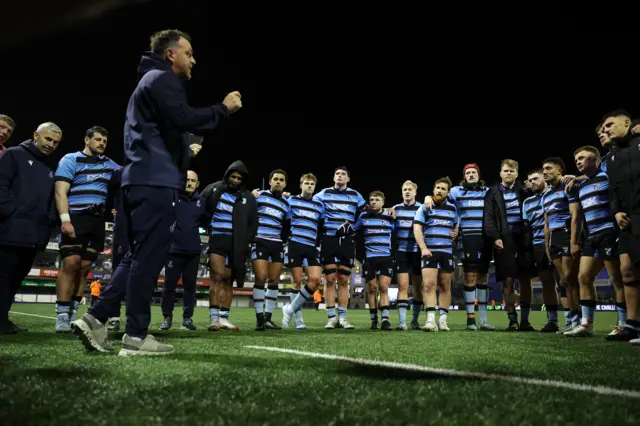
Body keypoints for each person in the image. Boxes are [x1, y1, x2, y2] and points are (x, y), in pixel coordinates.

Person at [74, 29, 241, 355]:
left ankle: (96, 317)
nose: (193, 60)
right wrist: (223, 108)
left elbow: (164, 130)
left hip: (141, 180)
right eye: (189, 53)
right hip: (153, 183)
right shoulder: (161, 79)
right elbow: (184, 117)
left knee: (138, 257)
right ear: (171, 55)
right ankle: (135, 336)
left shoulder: (149, 83)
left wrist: (184, 152)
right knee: (148, 258)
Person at [54, 126, 119, 332]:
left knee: (84, 270)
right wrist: (65, 220)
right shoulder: (70, 159)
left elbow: (129, 174)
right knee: (70, 264)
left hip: (97, 221)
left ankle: (73, 313)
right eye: (98, 139)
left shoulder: (109, 164)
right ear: (87, 139)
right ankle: (62, 316)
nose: (101, 143)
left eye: (105, 141)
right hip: (76, 217)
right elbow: (60, 192)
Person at [0, 122, 62, 334]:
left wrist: (48, 224)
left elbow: (50, 201)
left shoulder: (50, 167)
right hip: (9, 230)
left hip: (34, 235)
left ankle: (2, 322)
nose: (51, 145)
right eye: (48, 139)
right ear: (36, 135)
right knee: (3, 277)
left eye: (55, 142)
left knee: (15, 279)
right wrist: (10, 213)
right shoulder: (13, 155)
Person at [424, 164, 493, 330]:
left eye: (473, 172)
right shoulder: (456, 191)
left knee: (483, 278)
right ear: (464, 176)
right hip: (467, 238)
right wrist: (428, 197)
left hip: (485, 237)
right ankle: (470, 320)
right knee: (470, 277)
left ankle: (483, 320)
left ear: (479, 174)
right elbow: (441, 196)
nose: (470, 175)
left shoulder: (487, 191)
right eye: (467, 173)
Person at [566, 146, 624, 337]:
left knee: (617, 279)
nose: (578, 162)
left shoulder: (607, 177)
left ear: (595, 158)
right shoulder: (580, 187)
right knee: (583, 277)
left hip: (609, 233)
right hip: (592, 236)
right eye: (576, 160)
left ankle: (623, 323)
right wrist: (575, 240)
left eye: (582, 157)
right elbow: (579, 216)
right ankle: (586, 324)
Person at [201, 161, 257, 332]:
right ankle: (214, 319)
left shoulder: (247, 197)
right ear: (227, 176)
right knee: (217, 276)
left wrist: (246, 241)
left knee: (228, 280)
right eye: (233, 176)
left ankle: (224, 319)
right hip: (217, 239)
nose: (235, 180)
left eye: (239, 178)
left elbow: (253, 222)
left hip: (236, 243)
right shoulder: (214, 188)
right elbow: (200, 205)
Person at [601, 110, 640, 343]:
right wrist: (615, 212)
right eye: (604, 128)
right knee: (627, 270)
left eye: (610, 125)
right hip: (627, 219)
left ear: (627, 123)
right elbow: (613, 189)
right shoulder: (612, 157)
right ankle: (633, 326)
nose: (605, 130)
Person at [483, 159, 535, 331]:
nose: (508, 173)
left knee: (526, 280)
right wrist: (495, 237)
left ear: (517, 173)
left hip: (525, 239)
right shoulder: (492, 192)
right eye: (505, 171)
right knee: (507, 281)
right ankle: (512, 320)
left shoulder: (525, 189)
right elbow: (488, 218)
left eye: (512, 171)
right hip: (504, 241)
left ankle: (526, 321)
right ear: (500, 173)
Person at [313, 167, 366, 329]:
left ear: (348, 179)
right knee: (329, 280)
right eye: (337, 173)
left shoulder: (356, 195)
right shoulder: (323, 193)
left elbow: (365, 213)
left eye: (343, 174)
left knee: (343, 280)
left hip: (347, 240)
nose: (340, 176)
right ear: (333, 177)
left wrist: (354, 227)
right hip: (329, 237)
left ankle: (342, 318)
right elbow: (309, 202)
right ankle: (331, 318)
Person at [159, 170, 210, 331]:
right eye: (186, 180)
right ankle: (167, 317)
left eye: (192, 180)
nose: (189, 183)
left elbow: (206, 220)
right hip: (173, 251)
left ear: (197, 184)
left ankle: (187, 319)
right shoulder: (172, 197)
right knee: (169, 286)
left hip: (193, 252)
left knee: (190, 287)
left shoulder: (201, 202)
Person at [541, 157, 581, 333]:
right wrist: (547, 245)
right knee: (564, 281)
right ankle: (573, 320)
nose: (545, 172)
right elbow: (547, 223)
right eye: (543, 169)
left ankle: (581, 319)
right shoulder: (546, 195)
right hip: (555, 239)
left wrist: (574, 241)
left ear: (560, 170)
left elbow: (575, 215)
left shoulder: (568, 187)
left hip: (566, 234)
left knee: (571, 279)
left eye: (549, 168)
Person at [413, 177, 458, 331]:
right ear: (433, 189)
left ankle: (443, 321)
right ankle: (430, 321)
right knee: (429, 286)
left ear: (448, 193)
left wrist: (457, 230)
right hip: (429, 251)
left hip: (446, 252)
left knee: (446, 286)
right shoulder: (425, 207)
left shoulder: (453, 208)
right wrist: (423, 247)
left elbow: (457, 223)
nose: (439, 190)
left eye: (443, 189)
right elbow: (417, 228)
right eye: (437, 187)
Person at [280, 174, 325, 330]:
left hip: (312, 246)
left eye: (312, 183)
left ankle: (289, 309)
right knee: (297, 281)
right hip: (295, 244)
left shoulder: (319, 205)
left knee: (316, 280)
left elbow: (322, 224)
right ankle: (299, 320)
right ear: (301, 185)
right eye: (306, 183)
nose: (309, 185)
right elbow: (283, 217)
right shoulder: (291, 200)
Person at [522, 169, 561, 332]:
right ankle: (552, 321)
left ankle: (576, 319)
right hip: (538, 245)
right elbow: (527, 228)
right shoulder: (527, 203)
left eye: (535, 179)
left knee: (565, 281)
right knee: (547, 283)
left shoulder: (554, 194)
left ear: (544, 178)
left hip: (558, 240)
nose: (532, 182)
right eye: (530, 180)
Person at [251, 169, 290, 330]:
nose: (278, 182)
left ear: (285, 184)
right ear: (270, 181)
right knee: (261, 276)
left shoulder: (286, 203)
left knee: (274, 279)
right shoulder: (259, 196)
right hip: (260, 240)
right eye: (276, 179)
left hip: (277, 243)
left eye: (281, 180)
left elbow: (287, 225)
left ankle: (268, 318)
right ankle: (259, 318)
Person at [354, 191, 396, 330]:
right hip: (369, 257)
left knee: (384, 288)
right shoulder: (363, 216)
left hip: (385, 256)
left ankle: (385, 320)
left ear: (383, 202)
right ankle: (374, 320)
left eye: (377, 199)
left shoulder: (390, 216)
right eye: (371, 199)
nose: (373, 202)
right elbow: (353, 229)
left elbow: (398, 233)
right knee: (371, 289)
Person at [391, 181, 423, 330]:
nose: (407, 192)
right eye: (405, 189)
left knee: (417, 287)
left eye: (410, 189)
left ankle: (415, 321)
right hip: (402, 252)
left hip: (418, 252)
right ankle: (402, 322)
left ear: (415, 192)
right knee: (402, 287)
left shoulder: (422, 208)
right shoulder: (395, 209)